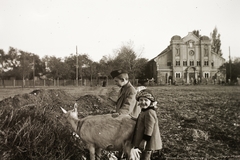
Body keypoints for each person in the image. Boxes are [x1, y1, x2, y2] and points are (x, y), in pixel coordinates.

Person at [132, 89, 162, 160]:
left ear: (151, 102)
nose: (143, 102)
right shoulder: (144, 111)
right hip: (146, 142)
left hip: (148, 142)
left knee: (145, 157)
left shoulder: (149, 112)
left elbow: (149, 128)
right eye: (141, 100)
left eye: (146, 100)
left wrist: (144, 141)